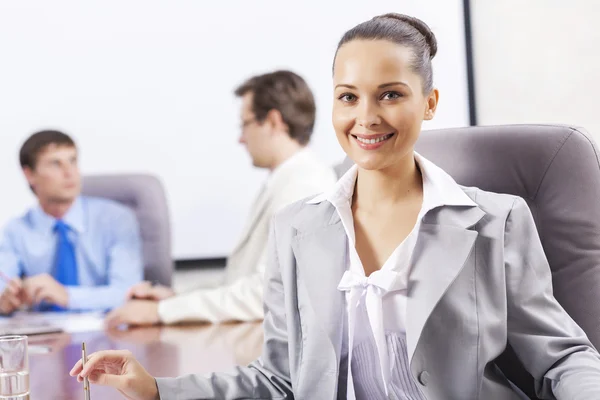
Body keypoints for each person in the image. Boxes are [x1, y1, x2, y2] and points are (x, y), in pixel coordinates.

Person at [70, 13, 600, 399]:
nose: (365, 117)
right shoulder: (296, 228)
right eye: (349, 96)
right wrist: (157, 388)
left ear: (429, 102)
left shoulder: (495, 221)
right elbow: (280, 379)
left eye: (390, 94)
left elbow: (564, 358)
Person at [104, 70, 337, 327]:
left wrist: (163, 312)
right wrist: (176, 297)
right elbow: (241, 282)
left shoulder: (304, 186)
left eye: (244, 124)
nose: (241, 138)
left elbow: (267, 293)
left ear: (272, 121)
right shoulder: (286, 181)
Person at [0, 130, 143, 313]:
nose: (70, 172)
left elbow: (129, 293)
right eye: (55, 164)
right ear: (29, 175)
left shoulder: (116, 219)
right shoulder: (16, 230)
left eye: (73, 161)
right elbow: (3, 288)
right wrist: (5, 301)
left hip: (108, 332)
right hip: (46, 334)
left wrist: (67, 296)